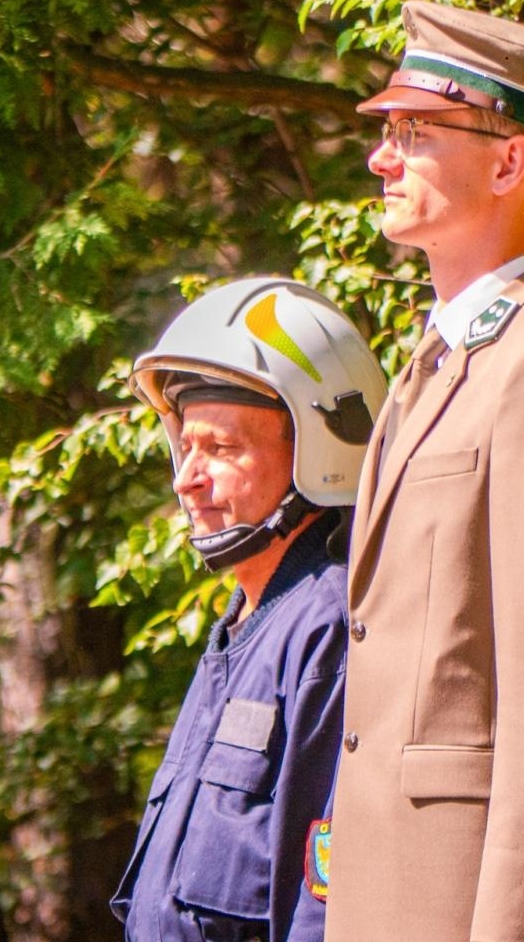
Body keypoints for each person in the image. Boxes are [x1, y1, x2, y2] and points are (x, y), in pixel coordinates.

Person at [324, 1, 524, 942]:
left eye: (414, 132)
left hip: (460, 902)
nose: (382, 157)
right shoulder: (436, 360)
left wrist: (519, 926)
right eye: (387, 131)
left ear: (508, 162)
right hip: (385, 883)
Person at [112, 277, 387, 942]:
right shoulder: (242, 628)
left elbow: (321, 913)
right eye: (186, 447)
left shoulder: (328, 632)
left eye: (222, 449)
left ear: (319, 456)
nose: (186, 479)